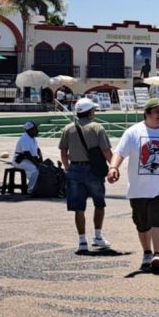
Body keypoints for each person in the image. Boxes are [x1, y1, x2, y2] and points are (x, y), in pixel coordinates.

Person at [107, 98, 159, 271]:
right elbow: (119, 153)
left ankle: (158, 254)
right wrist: (113, 167)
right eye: (157, 111)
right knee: (142, 223)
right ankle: (147, 252)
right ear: (147, 113)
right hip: (139, 189)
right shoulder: (133, 132)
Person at [59, 98, 113, 252]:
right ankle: (98, 236)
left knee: (79, 208)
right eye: (93, 110)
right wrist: (113, 167)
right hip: (94, 170)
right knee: (99, 203)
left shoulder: (68, 128)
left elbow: (63, 151)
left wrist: (68, 167)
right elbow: (106, 151)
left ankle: (82, 241)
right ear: (89, 112)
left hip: (75, 169)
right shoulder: (97, 128)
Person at [12, 122, 43, 195]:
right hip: (19, 161)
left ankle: (36, 186)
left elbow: (37, 150)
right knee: (35, 169)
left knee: (41, 168)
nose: (37, 131)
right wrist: (36, 164)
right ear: (30, 130)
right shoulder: (25, 138)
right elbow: (27, 154)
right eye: (35, 129)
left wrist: (41, 159)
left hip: (26, 159)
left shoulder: (33, 138)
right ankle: (31, 189)